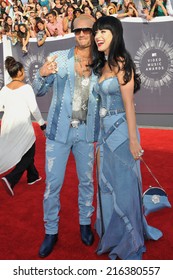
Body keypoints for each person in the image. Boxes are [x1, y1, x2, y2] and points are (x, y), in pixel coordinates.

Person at [91, 16, 162, 260]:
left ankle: (129, 238)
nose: (98, 36)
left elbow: (129, 105)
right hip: (104, 134)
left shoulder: (122, 62)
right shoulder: (101, 65)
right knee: (107, 186)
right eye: (96, 32)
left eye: (103, 31)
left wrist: (133, 140)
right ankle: (113, 235)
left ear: (116, 34)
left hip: (122, 133)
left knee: (124, 186)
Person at [32, 14, 99, 258]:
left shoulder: (101, 62)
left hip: (85, 132)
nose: (81, 34)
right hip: (58, 133)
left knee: (87, 182)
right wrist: (41, 73)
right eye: (77, 30)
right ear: (73, 32)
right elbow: (40, 91)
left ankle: (85, 223)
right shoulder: (58, 58)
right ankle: (51, 231)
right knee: (53, 185)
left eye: (87, 30)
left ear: (94, 32)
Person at [0, 56, 46, 196]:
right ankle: (11, 178)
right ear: (20, 72)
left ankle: (33, 176)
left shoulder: (4, 89)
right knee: (29, 153)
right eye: (23, 71)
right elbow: (34, 109)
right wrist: (42, 125)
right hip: (22, 126)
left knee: (27, 151)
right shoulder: (26, 88)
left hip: (7, 125)